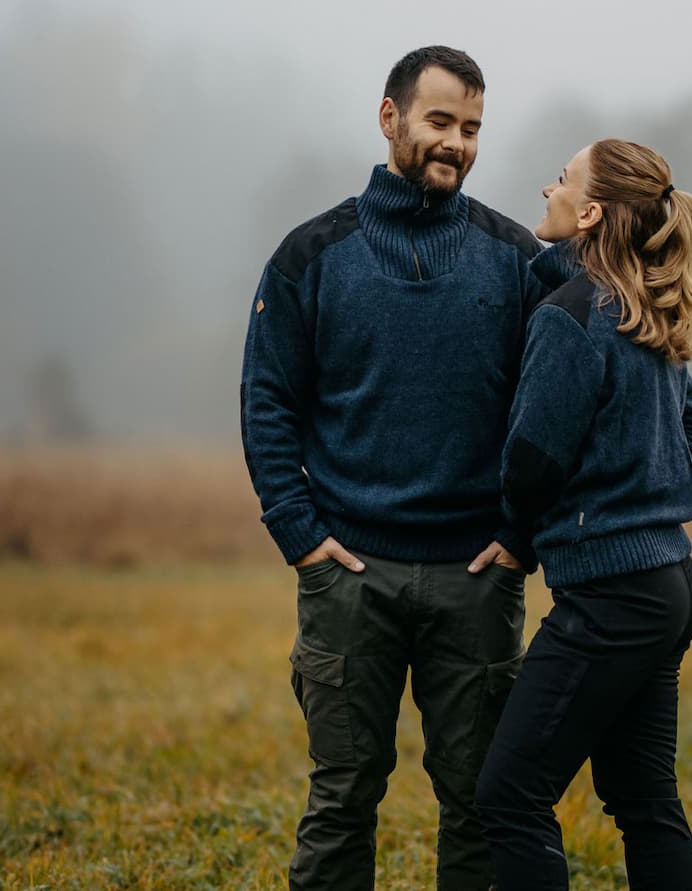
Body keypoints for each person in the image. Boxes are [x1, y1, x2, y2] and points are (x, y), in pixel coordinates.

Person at [240, 46, 546, 891]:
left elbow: (556, 405)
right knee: (342, 796)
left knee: (479, 800)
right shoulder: (311, 255)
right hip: (348, 576)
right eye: (440, 120)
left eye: (472, 128)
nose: (456, 143)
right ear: (389, 117)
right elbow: (267, 401)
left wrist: (521, 537)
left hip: (477, 576)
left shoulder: (517, 259)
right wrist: (300, 536)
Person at [475, 138, 692, 890]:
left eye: (562, 179)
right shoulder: (642, 306)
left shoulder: (570, 316)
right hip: (670, 582)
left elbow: (532, 460)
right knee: (644, 800)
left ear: (589, 213)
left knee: (509, 795)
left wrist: (520, 531)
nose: (548, 188)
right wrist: (641, 491)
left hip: (613, 598)